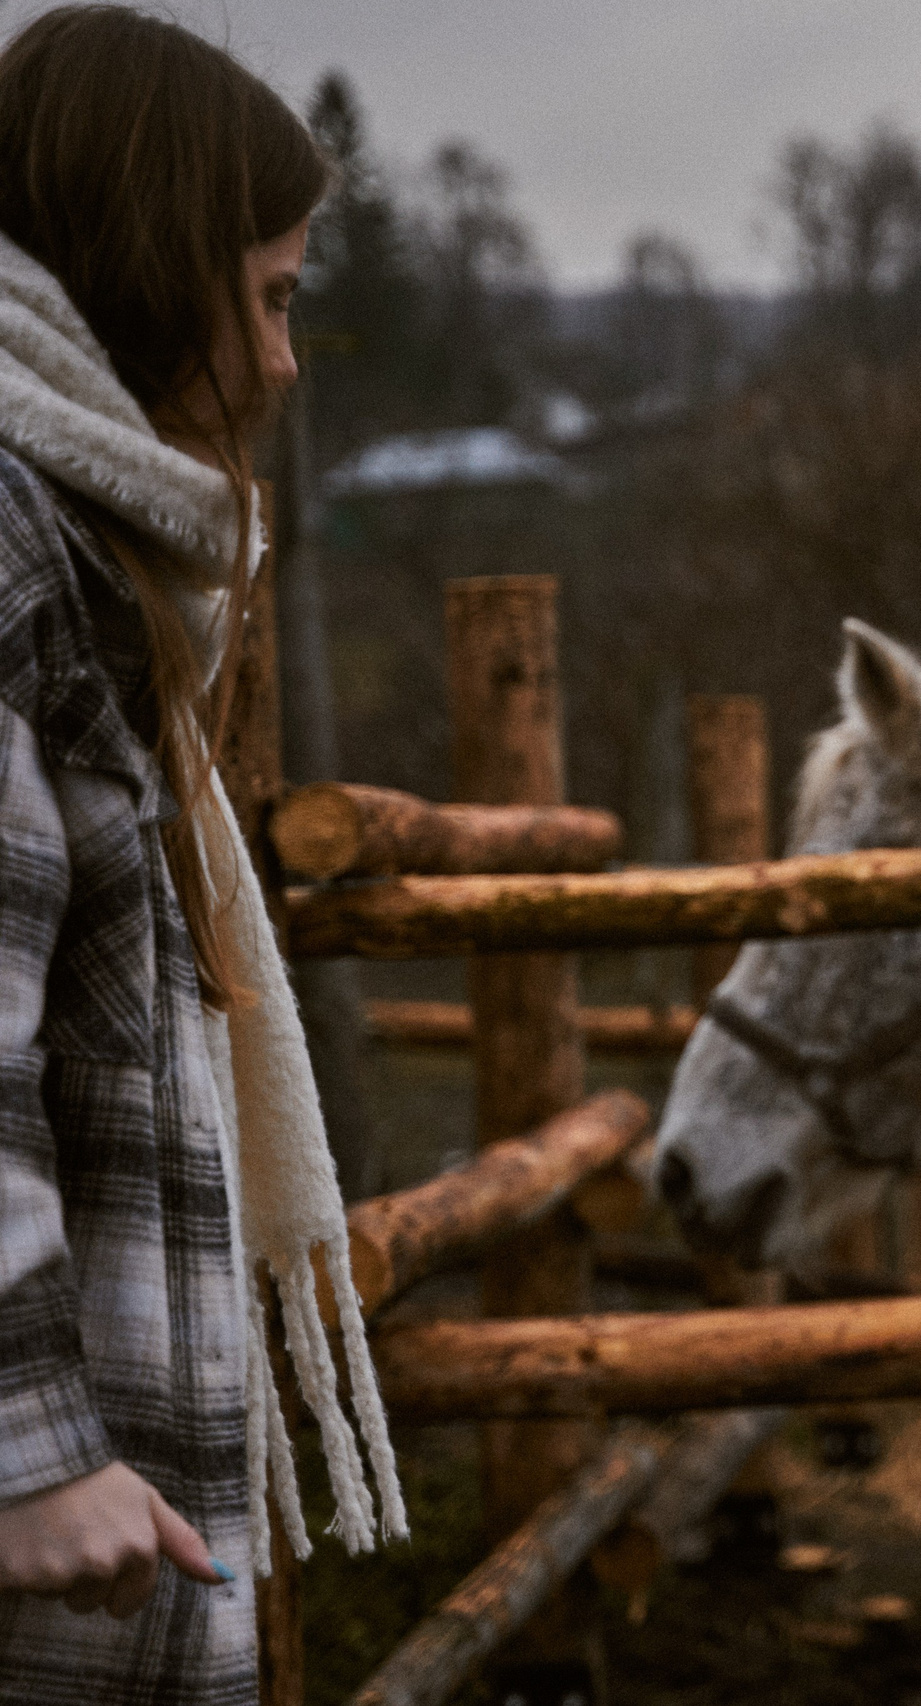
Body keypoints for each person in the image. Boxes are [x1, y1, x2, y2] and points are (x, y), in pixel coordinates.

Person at [0, 10, 403, 1702]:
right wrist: (26, 1446)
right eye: (271, 296)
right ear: (154, 276)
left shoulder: (76, 544)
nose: (286, 362)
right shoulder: (14, 554)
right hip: (50, 1566)